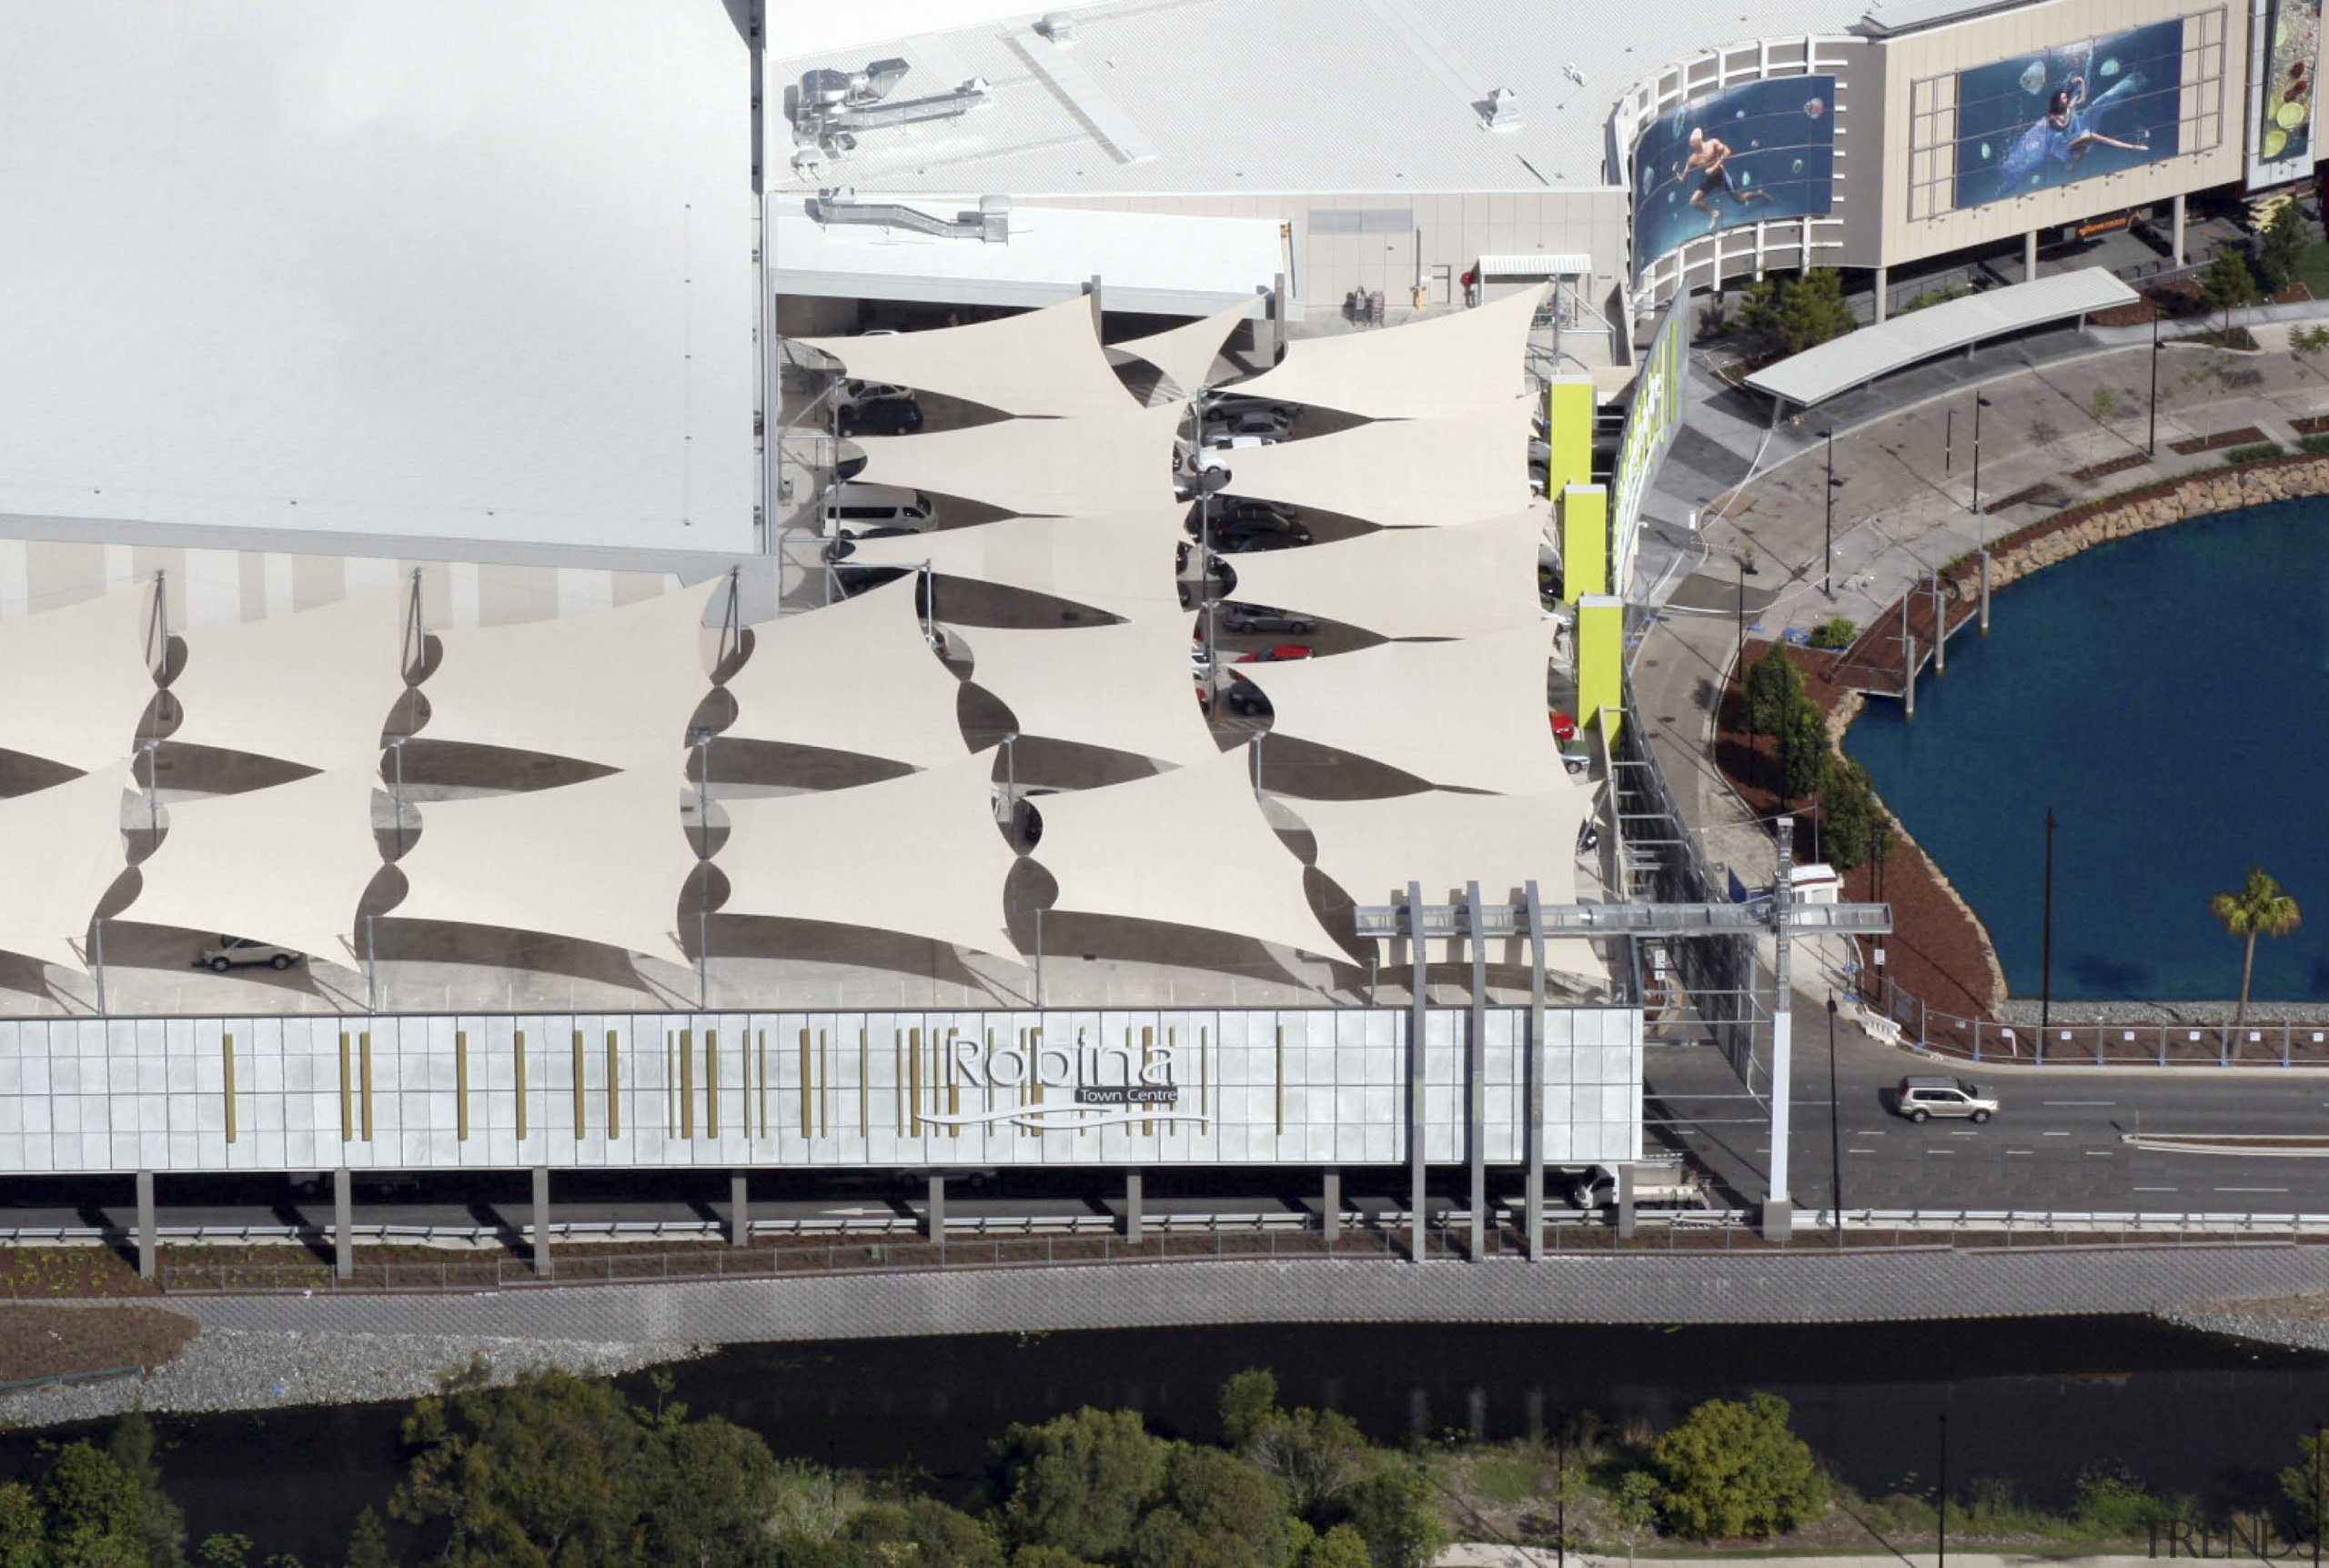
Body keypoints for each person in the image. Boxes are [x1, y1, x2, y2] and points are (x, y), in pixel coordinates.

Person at [1996, 55, 2149, 196]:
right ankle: (2131, 147)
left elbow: (2082, 98)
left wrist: (2081, 83)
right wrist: (2070, 111)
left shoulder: (2066, 108)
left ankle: (2137, 81)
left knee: (2099, 103)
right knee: (2089, 136)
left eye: (2065, 98)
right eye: (2063, 98)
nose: (2066, 100)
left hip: (2072, 131)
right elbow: (2062, 126)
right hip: (2062, 144)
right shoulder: (2053, 118)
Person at [1676, 126, 1774, 234]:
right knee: (1693, 201)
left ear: (1700, 140)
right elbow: (1683, 179)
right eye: (1691, 144)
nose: (1693, 146)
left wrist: (1715, 167)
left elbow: (1727, 151)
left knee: (1740, 199)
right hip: (1710, 180)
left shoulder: (1712, 144)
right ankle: (1714, 213)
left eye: (1694, 143)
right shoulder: (1692, 159)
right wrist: (1676, 172)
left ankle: (1759, 193)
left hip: (1721, 175)